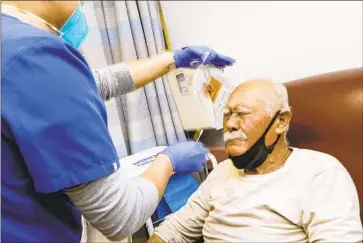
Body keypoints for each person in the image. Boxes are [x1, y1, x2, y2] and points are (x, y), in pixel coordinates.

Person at [1, 1, 236, 243]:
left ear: (280, 121)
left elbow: (97, 82)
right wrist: (169, 161)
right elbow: (119, 216)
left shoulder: (13, 46)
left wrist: (173, 59)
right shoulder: (39, 58)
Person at [149, 79, 363, 242]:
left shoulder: (321, 174)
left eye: (242, 113)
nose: (230, 124)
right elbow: (173, 231)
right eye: (226, 114)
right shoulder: (222, 172)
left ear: (281, 121)